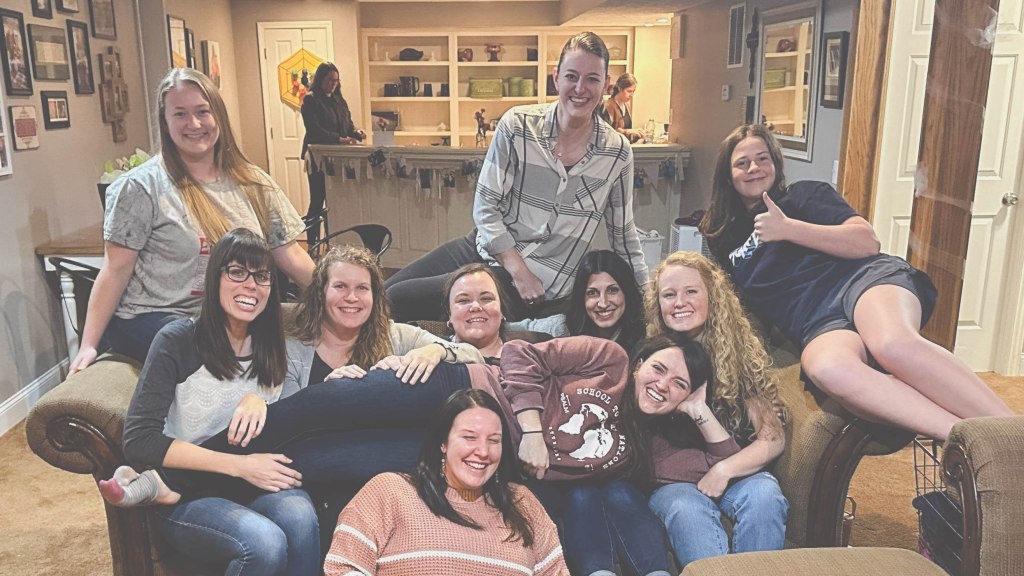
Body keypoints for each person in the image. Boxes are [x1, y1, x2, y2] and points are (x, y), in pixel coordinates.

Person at [699, 124, 1013, 440]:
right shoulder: (722, 234)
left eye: (763, 159)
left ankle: (1012, 430)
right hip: (814, 320)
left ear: (775, 165)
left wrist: (789, 229)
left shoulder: (806, 195)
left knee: (892, 343)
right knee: (827, 368)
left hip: (861, 282)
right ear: (728, 175)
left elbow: (866, 241)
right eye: (742, 163)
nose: (754, 168)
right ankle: (967, 437)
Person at [99, 228, 320, 576]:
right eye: (237, 272)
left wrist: (258, 401)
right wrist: (238, 465)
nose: (251, 285)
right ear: (214, 278)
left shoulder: (275, 343)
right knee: (264, 541)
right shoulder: (178, 340)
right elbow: (139, 440)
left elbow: (292, 422)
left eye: (262, 277)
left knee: (301, 518)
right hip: (187, 494)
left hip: (252, 482)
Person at [385, 31, 648, 323]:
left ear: (606, 85)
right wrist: (518, 270)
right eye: (572, 76)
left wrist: (648, 298)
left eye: (592, 79)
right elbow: (485, 208)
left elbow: (623, 235)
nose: (580, 88)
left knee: (399, 301)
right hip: (484, 248)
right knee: (382, 294)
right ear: (556, 77)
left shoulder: (617, 153)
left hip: (536, 284)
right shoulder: (518, 126)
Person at [70, 67, 314, 373]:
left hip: (225, 315)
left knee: (297, 341)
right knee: (217, 344)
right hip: (154, 318)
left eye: (202, 111)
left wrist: (334, 296)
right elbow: (115, 269)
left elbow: (289, 254)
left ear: (219, 117)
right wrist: (89, 345)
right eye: (180, 114)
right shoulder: (141, 187)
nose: (194, 124)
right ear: (165, 121)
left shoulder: (252, 182)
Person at [323, 389, 569, 576]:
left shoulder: (522, 503)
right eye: (469, 437)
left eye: (494, 440)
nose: (483, 451)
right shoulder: (390, 491)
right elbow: (342, 568)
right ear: (443, 443)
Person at [645, 250, 789, 567]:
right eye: (669, 295)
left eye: (691, 291)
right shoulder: (652, 356)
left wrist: (723, 470)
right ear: (659, 304)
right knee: (686, 509)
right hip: (674, 482)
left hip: (735, 469)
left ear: (713, 296)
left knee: (765, 496)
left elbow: (772, 438)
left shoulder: (739, 354)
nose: (679, 302)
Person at [285, 245, 485, 391]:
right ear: (321, 292)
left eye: (362, 288)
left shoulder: (396, 335)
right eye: (341, 286)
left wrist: (436, 350)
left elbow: (474, 355)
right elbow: (286, 417)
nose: (352, 298)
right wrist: (325, 392)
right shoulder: (292, 349)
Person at [508, 249, 645, 351]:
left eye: (612, 290)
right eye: (592, 293)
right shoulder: (563, 327)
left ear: (626, 292)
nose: (603, 303)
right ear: (582, 298)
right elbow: (506, 329)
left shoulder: (643, 334)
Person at [300, 62, 365, 247]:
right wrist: (339, 139)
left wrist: (356, 133)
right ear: (320, 80)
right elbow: (314, 130)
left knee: (335, 201)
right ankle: (312, 243)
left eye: (336, 81)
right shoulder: (311, 100)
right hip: (318, 158)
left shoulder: (339, 101)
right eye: (329, 80)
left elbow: (348, 125)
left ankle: (332, 241)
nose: (333, 84)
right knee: (317, 200)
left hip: (337, 158)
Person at [600, 73, 641, 143]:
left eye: (633, 91)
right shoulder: (608, 106)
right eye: (629, 91)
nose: (631, 95)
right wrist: (628, 131)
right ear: (620, 89)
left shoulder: (626, 106)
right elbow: (606, 133)